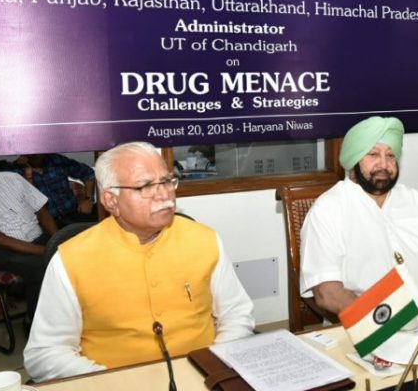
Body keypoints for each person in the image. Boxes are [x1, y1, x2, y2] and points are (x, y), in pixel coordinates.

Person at [24, 142, 254, 381]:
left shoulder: (205, 239)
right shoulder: (71, 259)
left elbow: (237, 314)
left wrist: (215, 365)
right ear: (111, 201)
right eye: (145, 186)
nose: (164, 194)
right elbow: (45, 355)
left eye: (167, 181)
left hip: (204, 377)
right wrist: (117, 382)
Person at [300, 116, 418, 315]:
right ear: (353, 160)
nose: (384, 164)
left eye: (390, 155)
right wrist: (381, 322)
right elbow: (328, 293)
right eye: (373, 154)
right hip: (375, 322)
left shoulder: (414, 200)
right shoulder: (329, 209)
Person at [0, 172, 58, 321]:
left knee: (75, 256)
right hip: (2, 251)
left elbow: (43, 213)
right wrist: (49, 251)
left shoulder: (11, 178)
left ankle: (69, 314)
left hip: (39, 237)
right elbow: (2, 240)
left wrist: (57, 241)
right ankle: (35, 322)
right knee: (41, 268)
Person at [12, 153, 97, 226]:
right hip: (44, 223)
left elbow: (88, 173)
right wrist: (28, 174)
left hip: (73, 214)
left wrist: (88, 200)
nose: (36, 154)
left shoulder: (56, 160)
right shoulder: (15, 170)